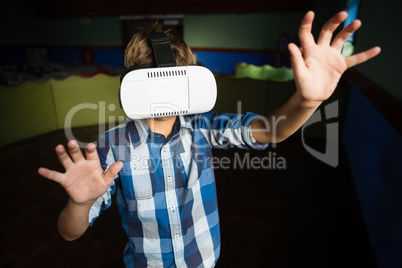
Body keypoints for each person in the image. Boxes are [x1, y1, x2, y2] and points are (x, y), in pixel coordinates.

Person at [38, 11, 380, 267]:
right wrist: (80, 204)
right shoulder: (110, 148)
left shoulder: (202, 127)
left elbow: (272, 130)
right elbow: (70, 233)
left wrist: (308, 100)